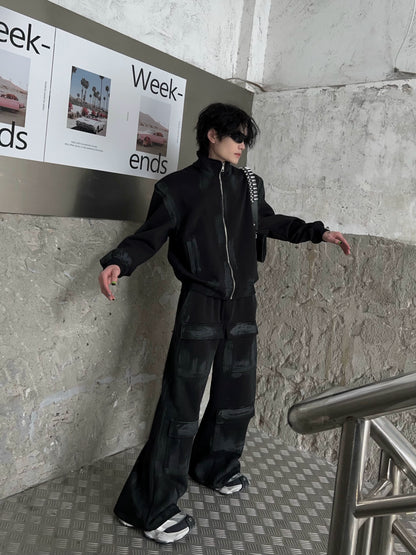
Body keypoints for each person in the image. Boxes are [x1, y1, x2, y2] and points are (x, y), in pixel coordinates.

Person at [98, 103, 351, 544]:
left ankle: (214, 467)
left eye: (246, 140)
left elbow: (267, 221)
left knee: (236, 397)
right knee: (180, 407)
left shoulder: (249, 185)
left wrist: (317, 232)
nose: (242, 146)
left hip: (243, 305)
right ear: (212, 135)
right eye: (236, 137)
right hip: (200, 303)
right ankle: (148, 507)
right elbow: (149, 236)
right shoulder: (176, 188)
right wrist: (119, 261)